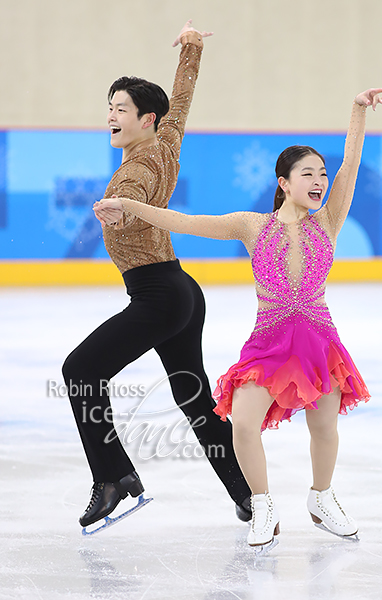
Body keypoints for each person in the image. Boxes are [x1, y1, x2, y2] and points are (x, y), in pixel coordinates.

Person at [94, 86, 382, 549]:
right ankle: (262, 504)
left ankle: (322, 496)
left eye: (322, 174)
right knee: (245, 426)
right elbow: (184, 222)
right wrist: (129, 206)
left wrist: (357, 111)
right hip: (269, 343)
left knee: (324, 428)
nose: (320, 181)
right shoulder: (252, 225)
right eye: (308, 174)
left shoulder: (329, 221)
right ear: (284, 182)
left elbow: (352, 164)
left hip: (318, 341)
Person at [62, 20, 252, 530]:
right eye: (110, 107)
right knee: (194, 398)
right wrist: (190, 48)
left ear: (146, 119)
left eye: (120, 109)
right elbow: (181, 101)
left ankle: (113, 478)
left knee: (80, 373)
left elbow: (137, 197)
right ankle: (249, 495)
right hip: (182, 291)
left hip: (158, 296)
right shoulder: (165, 141)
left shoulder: (134, 172)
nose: (111, 116)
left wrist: (123, 209)